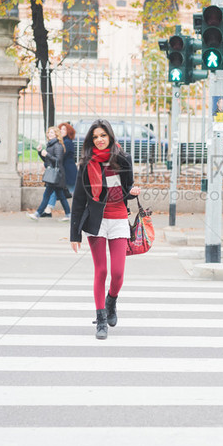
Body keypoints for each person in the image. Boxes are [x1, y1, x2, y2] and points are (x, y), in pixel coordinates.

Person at [70, 119, 140, 340]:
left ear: (110, 136)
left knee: (118, 273)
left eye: (103, 135)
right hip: (96, 222)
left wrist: (133, 192)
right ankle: (101, 320)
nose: (99, 140)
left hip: (119, 218)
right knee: (101, 271)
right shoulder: (86, 164)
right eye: (95, 137)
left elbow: (126, 189)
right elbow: (79, 200)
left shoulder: (123, 159)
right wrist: (75, 234)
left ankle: (111, 301)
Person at [28, 126, 71, 222]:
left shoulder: (58, 146)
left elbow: (58, 160)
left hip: (57, 175)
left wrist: (47, 154)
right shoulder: (50, 145)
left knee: (47, 195)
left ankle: (37, 214)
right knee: (61, 196)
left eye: (52, 132)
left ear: (56, 134)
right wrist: (40, 152)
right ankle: (68, 214)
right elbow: (47, 160)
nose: (49, 134)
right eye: (48, 132)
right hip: (53, 174)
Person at [42, 122, 77, 216]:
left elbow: (59, 158)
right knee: (55, 191)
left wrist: (48, 156)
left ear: (69, 131)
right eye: (60, 129)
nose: (61, 131)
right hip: (62, 172)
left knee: (75, 192)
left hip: (68, 172)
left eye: (64, 129)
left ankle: (72, 212)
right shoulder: (61, 142)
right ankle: (48, 210)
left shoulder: (66, 143)